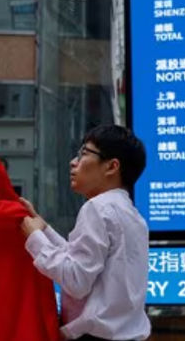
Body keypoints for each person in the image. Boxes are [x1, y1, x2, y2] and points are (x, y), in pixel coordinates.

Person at [21, 125, 150, 341]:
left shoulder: (97, 208)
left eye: (84, 154)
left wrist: (35, 239)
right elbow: (83, 261)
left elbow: (76, 280)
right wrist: (44, 229)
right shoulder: (132, 215)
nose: (74, 162)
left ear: (111, 166)